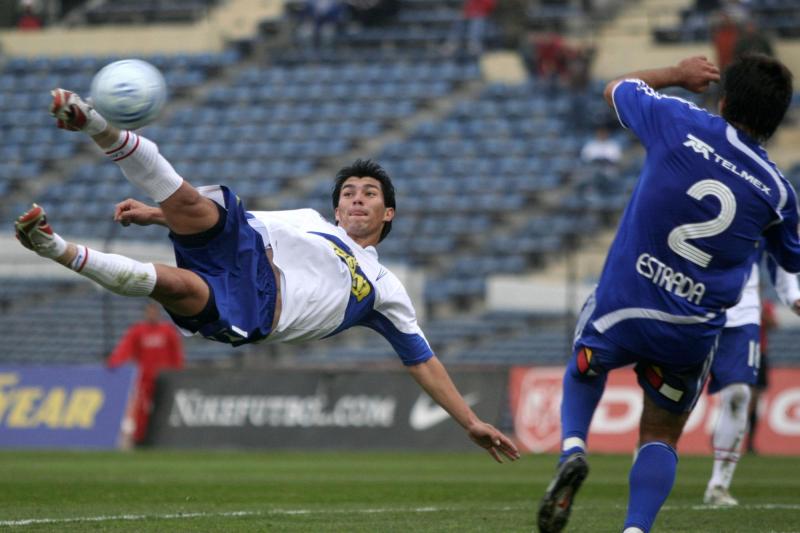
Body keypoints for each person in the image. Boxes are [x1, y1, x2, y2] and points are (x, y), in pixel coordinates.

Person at [14, 88, 520, 464]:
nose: (356, 197)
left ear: (388, 213)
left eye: (369, 192)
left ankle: (52, 247)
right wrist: (158, 214)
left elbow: (422, 360)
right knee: (195, 201)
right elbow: (242, 224)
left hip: (257, 308)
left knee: (176, 284)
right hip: (250, 250)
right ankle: (91, 120)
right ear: (336, 206)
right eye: (348, 191)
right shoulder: (307, 220)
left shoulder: (385, 289)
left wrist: (471, 421)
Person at [535, 53, 797, 533]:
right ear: (777, 122)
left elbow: (615, 87)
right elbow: (791, 265)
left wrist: (677, 75)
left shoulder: (679, 119)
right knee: (660, 432)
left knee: (585, 363)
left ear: (722, 100)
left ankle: (573, 448)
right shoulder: (779, 192)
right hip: (688, 332)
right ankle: (636, 530)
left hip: (626, 302)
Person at [704, 256, 800, 506]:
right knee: (671, 397)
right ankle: (648, 460)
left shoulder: (762, 302)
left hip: (743, 323)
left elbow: (782, 247)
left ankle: (719, 483)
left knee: (741, 395)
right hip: (696, 302)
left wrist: (792, 295)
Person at [107, 301, 185, 445]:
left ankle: (163, 437)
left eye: (154, 311)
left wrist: (178, 373)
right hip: (145, 378)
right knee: (142, 409)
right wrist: (114, 361)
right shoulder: (138, 331)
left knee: (164, 407)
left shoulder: (168, 331)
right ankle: (140, 438)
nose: (152, 314)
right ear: (145, 313)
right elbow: (125, 348)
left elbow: (177, 354)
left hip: (165, 378)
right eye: (149, 311)